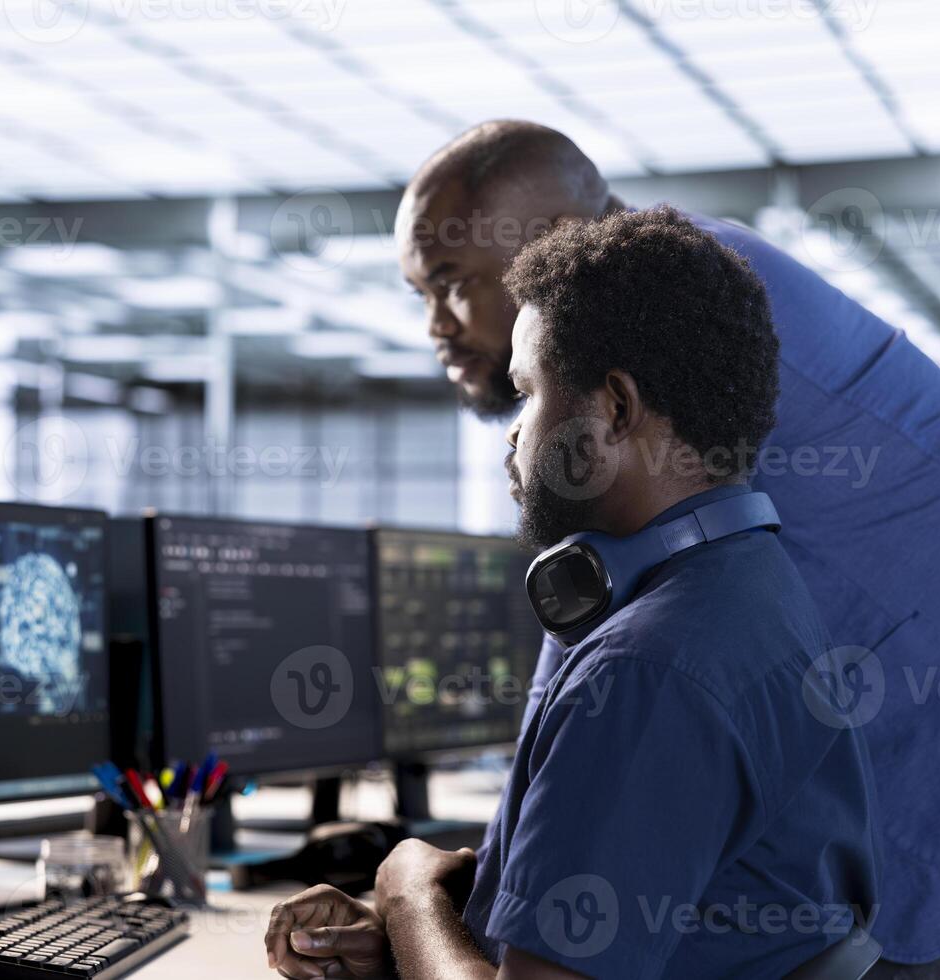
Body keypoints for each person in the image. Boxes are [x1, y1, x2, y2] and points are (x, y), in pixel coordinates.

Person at [266, 206, 879, 979]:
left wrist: (408, 893)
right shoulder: (751, 587)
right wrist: (421, 938)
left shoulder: (648, 672)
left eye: (528, 392)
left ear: (613, 410)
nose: (514, 432)